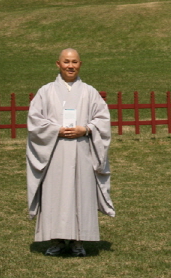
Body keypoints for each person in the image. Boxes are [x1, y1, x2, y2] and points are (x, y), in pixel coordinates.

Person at [26, 48, 115, 257]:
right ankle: (56, 241)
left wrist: (85, 129)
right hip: (55, 152)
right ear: (58, 64)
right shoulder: (45, 92)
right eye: (66, 62)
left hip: (82, 150)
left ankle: (78, 242)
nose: (70, 66)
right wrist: (55, 130)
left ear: (80, 64)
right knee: (54, 195)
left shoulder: (90, 92)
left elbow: (103, 119)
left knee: (81, 194)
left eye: (74, 62)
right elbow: (34, 121)